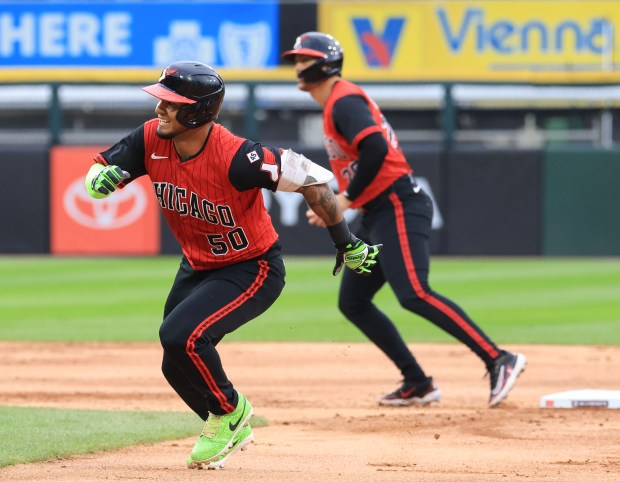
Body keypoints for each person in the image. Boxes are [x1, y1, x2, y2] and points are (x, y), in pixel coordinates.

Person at [83, 61, 380, 469]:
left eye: (170, 104)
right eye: (161, 101)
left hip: (251, 268)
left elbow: (313, 180)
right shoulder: (151, 137)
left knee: (181, 336)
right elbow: (101, 169)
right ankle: (225, 423)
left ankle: (230, 412)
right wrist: (98, 179)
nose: (159, 110)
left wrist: (345, 242)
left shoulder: (240, 157)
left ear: (198, 111)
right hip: (198, 265)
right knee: (175, 361)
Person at [282, 32, 526, 408]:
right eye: (296, 58)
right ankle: (417, 381)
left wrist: (344, 199)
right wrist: (348, 202)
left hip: (397, 203)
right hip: (376, 212)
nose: (298, 64)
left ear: (326, 63)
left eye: (304, 58)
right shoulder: (335, 102)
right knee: (354, 302)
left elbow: (376, 146)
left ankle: (498, 359)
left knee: (414, 293)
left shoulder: (343, 99)